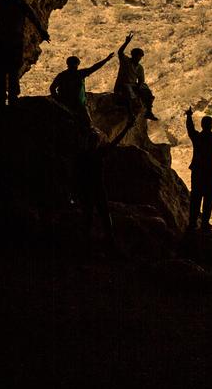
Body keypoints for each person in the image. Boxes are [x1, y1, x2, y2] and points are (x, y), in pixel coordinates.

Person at [73, 115, 135, 256]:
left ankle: (88, 244)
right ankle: (108, 243)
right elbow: (115, 143)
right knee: (104, 217)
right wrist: (126, 128)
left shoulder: (83, 156)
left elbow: (76, 174)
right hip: (97, 189)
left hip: (88, 190)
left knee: (90, 217)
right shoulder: (99, 154)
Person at [50, 53, 114, 125]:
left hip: (66, 105)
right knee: (87, 125)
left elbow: (52, 88)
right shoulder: (79, 74)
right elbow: (93, 68)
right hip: (78, 106)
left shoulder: (62, 75)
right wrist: (106, 60)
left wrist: (58, 100)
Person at [113, 32, 157, 120]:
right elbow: (120, 52)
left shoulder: (140, 68)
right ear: (132, 55)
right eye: (136, 55)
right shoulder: (125, 61)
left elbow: (141, 80)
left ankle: (148, 111)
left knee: (147, 90)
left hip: (132, 85)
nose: (138, 57)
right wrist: (126, 42)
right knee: (128, 90)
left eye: (140, 56)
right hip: (122, 85)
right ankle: (130, 112)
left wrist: (139, 87)